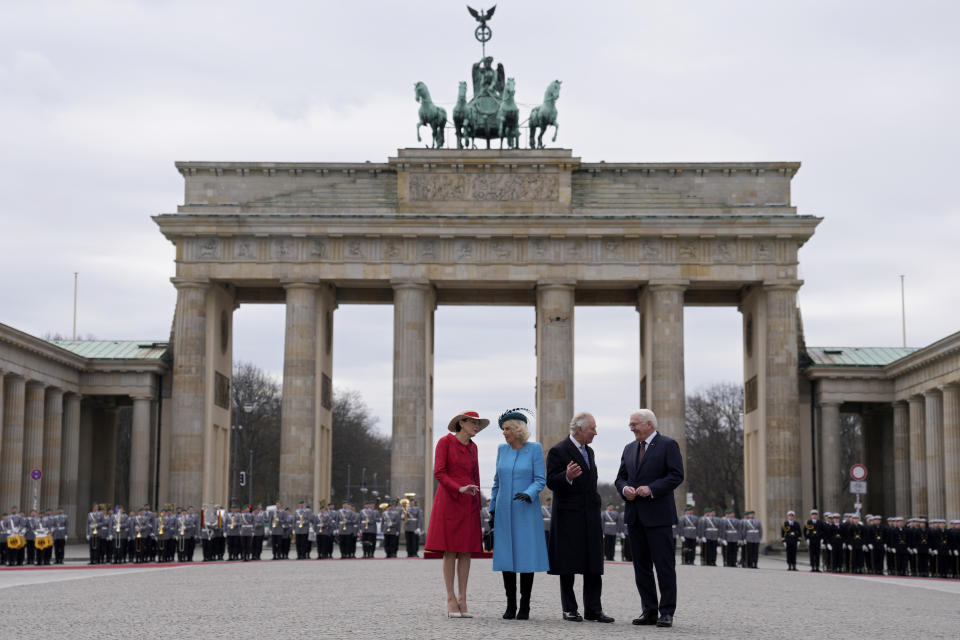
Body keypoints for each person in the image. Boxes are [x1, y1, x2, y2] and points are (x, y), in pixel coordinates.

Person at [615, 408, 684, 628]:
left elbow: (676, 475)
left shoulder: (668, 445)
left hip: (658, 516)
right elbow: (621, 477)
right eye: (630, 425)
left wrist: (652, 489)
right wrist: (625, 489)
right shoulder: (629, 448)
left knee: (664, 566)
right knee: (641, 567)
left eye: (634, 424)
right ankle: (649, 610)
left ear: (649, 424)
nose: (631, 428)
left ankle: (666, 612)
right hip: (634, 516)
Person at [546, 411, 613, 624]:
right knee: (568, 564)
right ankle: (569, 608)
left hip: (590, 515)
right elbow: (551, 481)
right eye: (592, 428)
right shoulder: (558, 450)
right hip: (568, 516)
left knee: (593, 563)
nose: (595, 432)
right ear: (581, 429)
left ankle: (594, 609)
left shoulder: (589, 452)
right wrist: (566, 477)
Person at [424, 410, 487, 618]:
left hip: (468, 502)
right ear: (461, 422)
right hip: (450, 500)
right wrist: (458, 488)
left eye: (478, 423)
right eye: (473, 422)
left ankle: (463, 598)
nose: (476, 426)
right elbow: (439, 472)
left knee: (466, 551)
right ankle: (450, 598)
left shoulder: (474, 447)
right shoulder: (445, 442)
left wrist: (477, 501)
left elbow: (475, 475)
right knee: (450, 550)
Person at [489, 408, 549, 621]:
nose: (504, 433)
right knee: (506, 557)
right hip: (504, 510)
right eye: (503, 429)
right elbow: (497, 481)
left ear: (517, 429)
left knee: (525, 557)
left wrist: (529, 493)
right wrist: (491, 509)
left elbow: (540, 479)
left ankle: (525, 605)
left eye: (507, 429)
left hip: (526, 509)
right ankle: (510, 604)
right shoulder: (501, 450)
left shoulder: (534, 449)